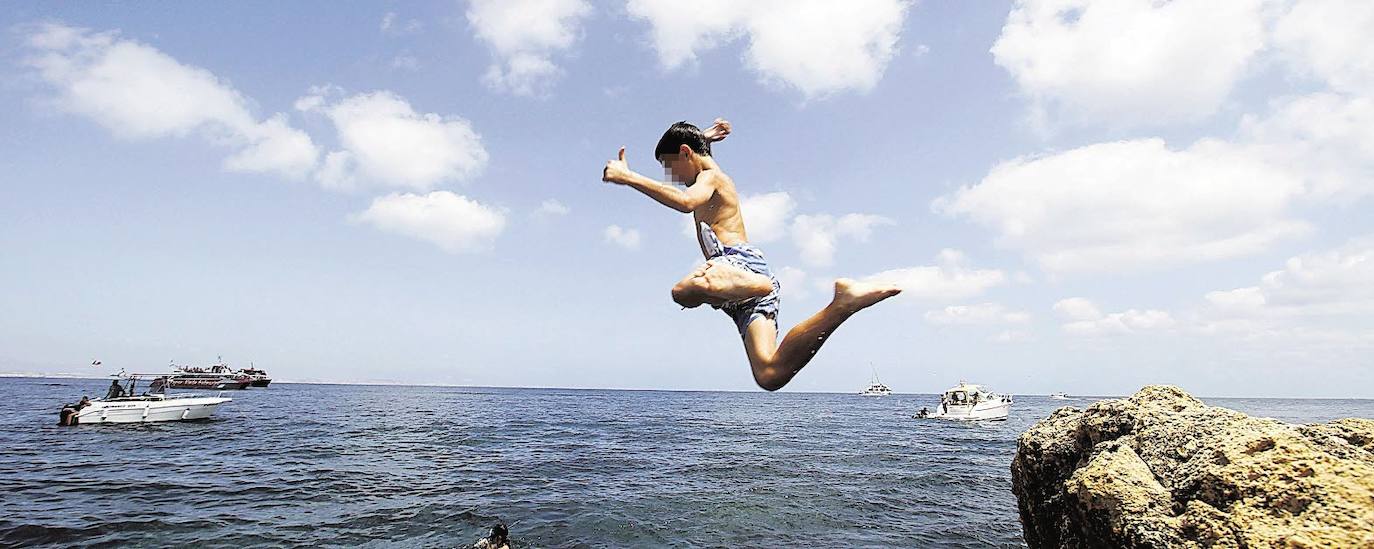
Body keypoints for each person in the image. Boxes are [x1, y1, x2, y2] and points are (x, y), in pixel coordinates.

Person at [601, 120, 902, 391]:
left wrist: (629, 178)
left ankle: (752, 285)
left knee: (682, 292)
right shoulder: (701, 167)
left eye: (670, 167)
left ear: (685, 154)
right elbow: (690, 153)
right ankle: (842, 304)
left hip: (735, 263)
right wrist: (704, 137)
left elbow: (685, 201)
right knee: (770, 374)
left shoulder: (709, 177)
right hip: (738, 284)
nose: (672, 178)